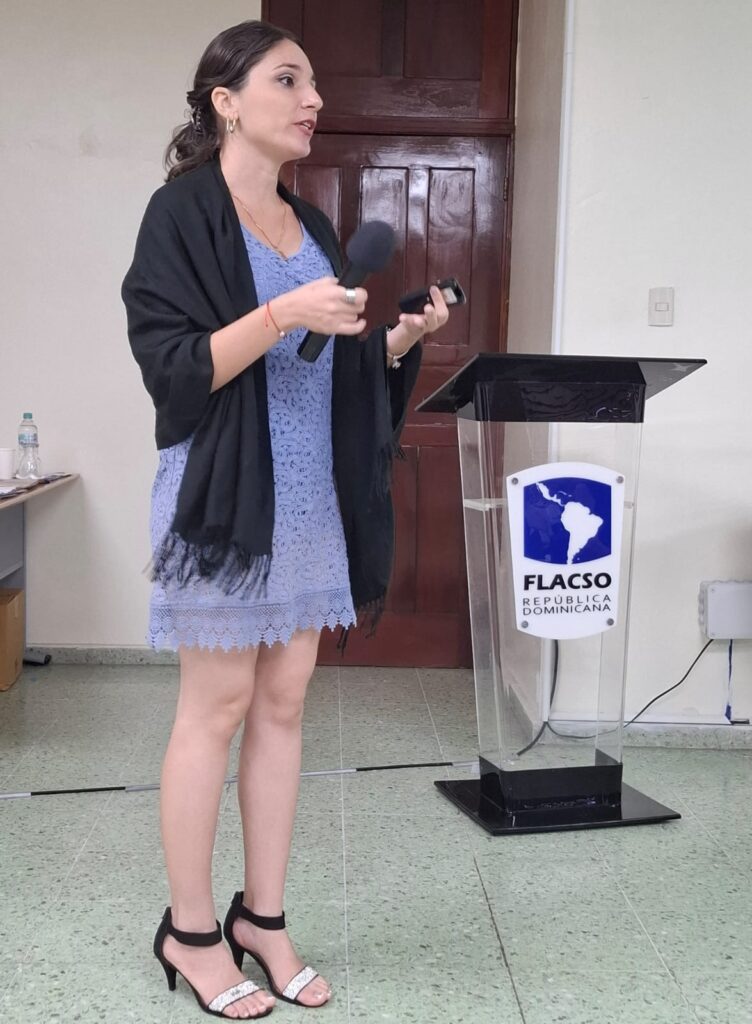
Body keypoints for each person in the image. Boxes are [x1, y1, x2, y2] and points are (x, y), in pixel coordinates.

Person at [121, 19, 451, 1021]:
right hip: (227, 501)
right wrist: (279, 315)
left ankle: (261, 917)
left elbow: (329, 370)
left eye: (312, 84)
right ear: (225, 101)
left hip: (310, 503)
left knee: (283, 708)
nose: (313, 99)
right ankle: (190, 933)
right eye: (288, 80)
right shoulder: (181, 213)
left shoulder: (310, 224)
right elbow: (174, 370)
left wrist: (395, 341)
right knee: (214, 710)